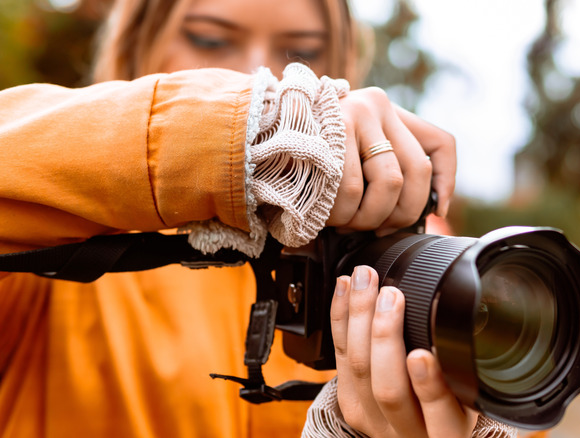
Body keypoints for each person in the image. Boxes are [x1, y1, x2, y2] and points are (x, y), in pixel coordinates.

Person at [0, 0, 526, 436]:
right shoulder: (49, 243)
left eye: (302, 52)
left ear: (342, 63)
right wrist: (247, 129)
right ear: (139, 45)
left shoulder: (413, 251)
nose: (261, 73)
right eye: (210, 39)